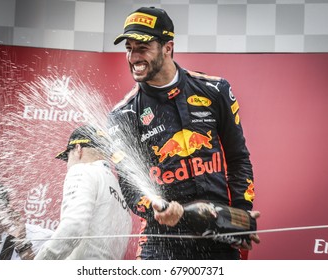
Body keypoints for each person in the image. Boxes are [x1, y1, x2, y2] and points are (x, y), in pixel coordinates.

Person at [108, 6, 260, 260]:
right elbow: (130, 187)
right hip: (161, 242)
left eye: (142, 48)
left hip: (218, 232)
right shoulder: (123, 115)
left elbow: (238, 158)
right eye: (129, 48)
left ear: (167, 47)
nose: (133, 57)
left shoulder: (215, 90)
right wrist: (155, 207)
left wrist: (241, 214)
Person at [34, 125, 132, 260]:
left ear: (78, 149)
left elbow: (73, 227)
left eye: (67, 158)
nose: (68, 165)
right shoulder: (121, 193)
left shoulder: (83, 170)